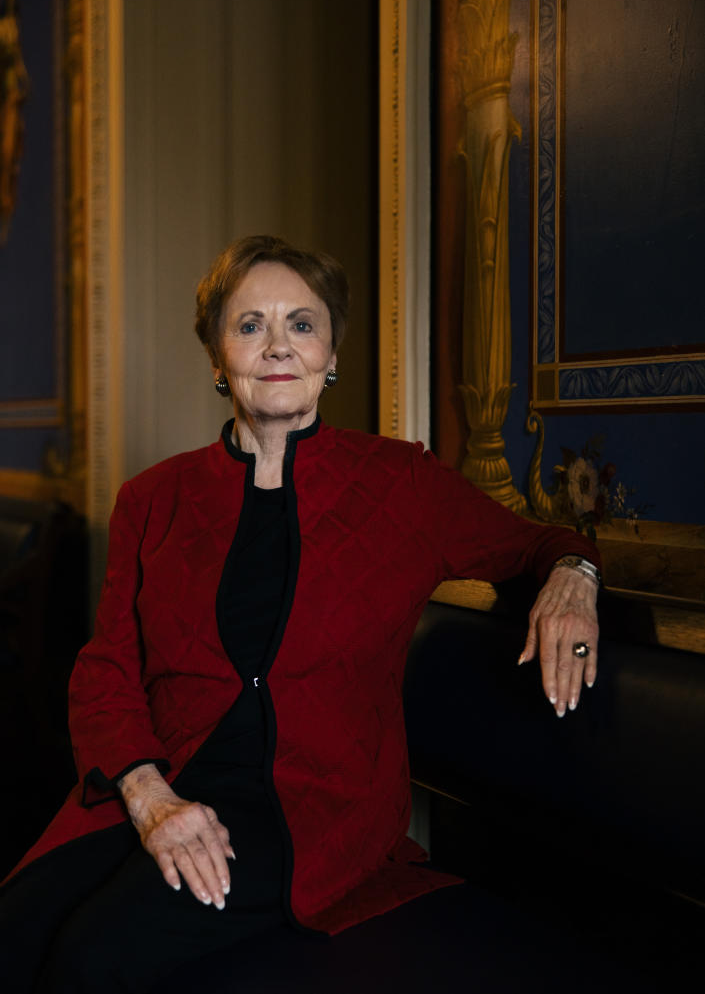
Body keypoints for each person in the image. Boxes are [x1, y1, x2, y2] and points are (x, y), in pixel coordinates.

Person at [0, 235, 600, 992]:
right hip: (163, 779)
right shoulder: (153, 499)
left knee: (94, 956)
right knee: (14, 931)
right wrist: (150, 797)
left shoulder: (398, 484)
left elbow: (540, 543)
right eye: (249, 325)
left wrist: (573, 577)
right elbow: (106, 670)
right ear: (218, 357)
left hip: (308, 809)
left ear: (331, 352)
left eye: (301, 324)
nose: (277, 345)